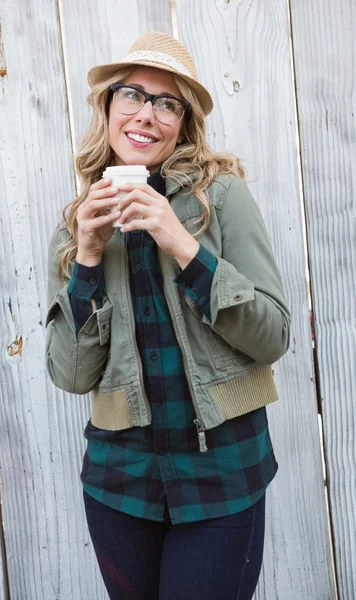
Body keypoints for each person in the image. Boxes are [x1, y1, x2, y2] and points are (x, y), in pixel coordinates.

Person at [45, 30, 291, 600]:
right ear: (109, 108)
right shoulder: (76, 223)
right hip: (119, 483)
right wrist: (85, 254)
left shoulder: (220, 196)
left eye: (167, 102)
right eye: (132, 94)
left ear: (183, 123)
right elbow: (71, 375)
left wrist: (182, 244)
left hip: (223, 475)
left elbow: (273, 333)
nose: (146, 114)